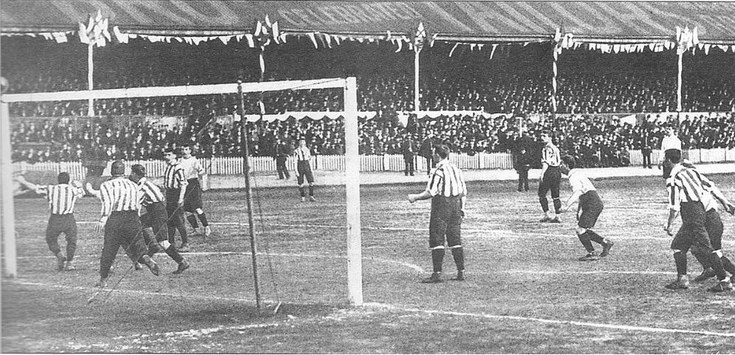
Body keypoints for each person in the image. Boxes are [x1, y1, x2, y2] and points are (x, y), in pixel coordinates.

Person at [663, 151, 732, 292]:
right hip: (707, 212)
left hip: (694, 214)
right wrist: (725, 202)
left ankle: (723, 280)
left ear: (668, 161)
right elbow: (710, 186)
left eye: (664, 160)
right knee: (680, 246)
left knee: (706, 248)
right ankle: (683, 278)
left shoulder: (673, 178)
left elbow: (675, 206)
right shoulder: (692, 172)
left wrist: (669, 224)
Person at [407, 144, 467, 283]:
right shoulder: (456, 169)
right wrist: (462, 208)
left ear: (437, 156)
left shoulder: (438, 171)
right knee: (455, 238)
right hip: (456, 205)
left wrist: (415, 197)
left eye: (434, 154)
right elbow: (463, 192)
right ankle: (461, 272)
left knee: (437, 237)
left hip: (442, 206)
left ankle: (437, 273)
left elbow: (431, 192)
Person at [95, 160, 159, 288]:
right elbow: (137, 203)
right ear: (124, 172)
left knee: (109, 250)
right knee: (138, 245)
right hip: (133, 217)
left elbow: (108, 203)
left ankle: (103, 280)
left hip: (116, 218)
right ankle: (147, 259)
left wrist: (103, 219)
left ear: (111, 171)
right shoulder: (133, 184)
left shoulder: (106, 185)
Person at [675, 162, 735, 283]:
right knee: (696, 248)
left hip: (710, 220)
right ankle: (708, 268)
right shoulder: (700, 186)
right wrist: (725, 202)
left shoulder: (694, 191)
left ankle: (725, 277)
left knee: (711, 250)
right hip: (708, 219)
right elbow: (712, 187)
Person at [16, 172, 85, 271]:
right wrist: (79, 185)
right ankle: (69, 263)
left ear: (58, 180)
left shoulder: (51, 189)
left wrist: (23, 181)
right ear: (68, 180)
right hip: (68, 218)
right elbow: (82, 193)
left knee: (50, 239)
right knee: (71, 240)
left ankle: (59, 255)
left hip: (55, 218)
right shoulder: (73, 190)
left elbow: (35, 188)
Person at [130, 164, 190, 274]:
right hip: (157, 210)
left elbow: (137, 204)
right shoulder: (147, 183)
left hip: (157, 212)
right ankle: (152, 246)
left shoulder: (142, 187)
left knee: (163, 242)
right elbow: (160, 196)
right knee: (138, 225)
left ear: (134, 174)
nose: (130, 175)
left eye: (131, 173)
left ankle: (182, 262)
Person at [559, 156, 614, 261]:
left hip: (592, 203)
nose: (560, 166)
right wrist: (579, 210)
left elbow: (578, 192)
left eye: (561, 164)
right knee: (583, 229)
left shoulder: (573, 177)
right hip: (593, 203)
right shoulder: (577, 173)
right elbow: (583, 192)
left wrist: (567, 205)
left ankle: (592, 253)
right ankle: (605, 243)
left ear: (566, 165)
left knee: (580, 229)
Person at [179, 143, 211, 237]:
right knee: (187, 210)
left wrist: (204, 184)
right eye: (182, 149)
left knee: (197, 208)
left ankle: (206, 227)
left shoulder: (194, 160)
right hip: (184, 185)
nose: (184, 151)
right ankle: (196, 229)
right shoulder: (179, 161)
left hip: (193, 184)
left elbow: (202, 172)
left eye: (186, 149)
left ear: (190, 150)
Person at [163, 147, 190, 252]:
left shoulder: (178, 167)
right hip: (169, 195)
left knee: (179, 220)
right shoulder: (169, 167)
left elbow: (183, 184)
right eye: (165, 155)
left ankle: (185, 243)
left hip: (176, 194)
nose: (166, 157)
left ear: (174, 155)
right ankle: (171, 243)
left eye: (169, 155)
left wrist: (180, 199)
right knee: (169, 221)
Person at [538, 131, 562, 223]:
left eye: (544, 136)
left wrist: (542, 174)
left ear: (550, 138)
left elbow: (546, 163)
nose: (542, 138)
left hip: (549, 171)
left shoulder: (546, 149)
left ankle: (547, 214)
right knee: (556, 195)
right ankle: (558, 216)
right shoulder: (556, 148)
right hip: (556, 171)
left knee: (541, 194)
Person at [294, 138, 316, 202]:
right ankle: (302, 197)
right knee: (301, 183)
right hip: (300, 165)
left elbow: (310, 160)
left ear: (305, 143)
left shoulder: (307, 150)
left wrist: (311, 169)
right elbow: (295, 161)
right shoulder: (296, 151)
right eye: (301, 142)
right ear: (299, 143)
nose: (302, 143)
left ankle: (311, 196)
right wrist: (296, 171)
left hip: (307, 165)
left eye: (303, 142)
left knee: (311, 182)